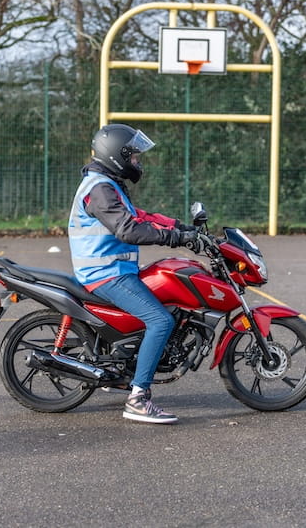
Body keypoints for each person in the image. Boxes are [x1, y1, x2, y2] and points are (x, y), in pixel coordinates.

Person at [68, 123, 200, 423]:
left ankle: (126, 370)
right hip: (105, 273)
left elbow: (140, 217)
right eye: (134, 156)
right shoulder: (100, 189)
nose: (137, 162)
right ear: (117, 155)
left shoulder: (107, 184)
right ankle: (138, 398)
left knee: (166, 303)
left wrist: (182, 228)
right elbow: (128, 229)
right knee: (160, 320)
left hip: (115, 269)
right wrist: (175, 239)